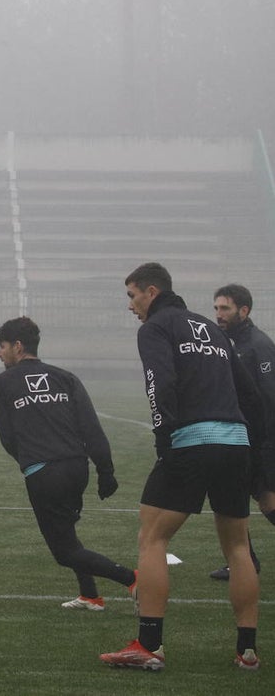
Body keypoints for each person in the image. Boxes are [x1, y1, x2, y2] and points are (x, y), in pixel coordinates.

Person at [100, 262, 261, 671]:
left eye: (132, 296)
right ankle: (247, 652)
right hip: (236, 443)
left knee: (152, 538)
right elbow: (251, 395)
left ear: (151, 292)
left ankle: (149, 645)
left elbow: (160, 381)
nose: (131, 306)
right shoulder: (213, 329)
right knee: (239, 546)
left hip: (190, 442)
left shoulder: (155, 328)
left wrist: (163, 438)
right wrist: (251, 445)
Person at [0, 317, 137, 611]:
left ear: (17, 347)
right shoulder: (65, 378)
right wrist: (105, 471)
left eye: (2, 347)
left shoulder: (1, 384)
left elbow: (8, 439)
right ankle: (90, 595)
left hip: (45, 473)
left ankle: (133, 580)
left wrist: (33, 461)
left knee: (64, 552)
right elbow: (91, 428)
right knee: (67, 530)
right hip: (76, 468)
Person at [207, 283, 275, 581]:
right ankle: (244, 560)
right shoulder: (224, 341)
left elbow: (269, 402)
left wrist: (267, 453)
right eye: (216, 308)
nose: (219, 314)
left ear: (243, 311)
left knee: (268, 501)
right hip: (237, 437)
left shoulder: (258, 345)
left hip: (259, 441)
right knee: (230, 498)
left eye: (225, 308)